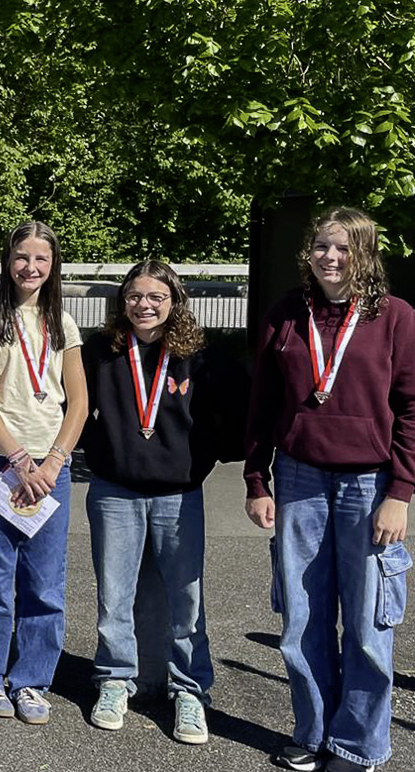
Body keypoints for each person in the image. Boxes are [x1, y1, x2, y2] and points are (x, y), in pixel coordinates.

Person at [245, 206, 415, 772]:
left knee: (368, 622)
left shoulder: (396, 319)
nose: (330, 257)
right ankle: (314, 732)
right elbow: (263, 405)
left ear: (365, 253)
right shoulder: (287, 315)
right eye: (321, 246)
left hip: (369, 484)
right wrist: (256, 479)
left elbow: (413, 410)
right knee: (302, 615)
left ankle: (358, 743)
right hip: (298, 479)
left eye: (343, 248)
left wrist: (401, 490)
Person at [79, 260, 248, 743]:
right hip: (115, 491)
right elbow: (70, 402)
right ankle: (114, 678)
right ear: (122, 301)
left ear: (174, 301)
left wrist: (205, 458)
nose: (144, 306)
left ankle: (190, 689)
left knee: (185, 598)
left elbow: (237, 409)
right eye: (135, 296)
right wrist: (96, 444)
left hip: (178, 494)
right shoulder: (102, 350)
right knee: (115, 594)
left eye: (155, 297)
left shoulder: (200, 356)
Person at [0, 220, 86, 725]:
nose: (30, 268)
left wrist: (53, 460)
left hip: (52, 465)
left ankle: (32, 680)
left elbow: (78, 403)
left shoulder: (65, 323)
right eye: (21, 257)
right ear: (6, 262)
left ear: (52, 265)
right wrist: (17, 457)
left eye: (40, 259)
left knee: (44, 582)